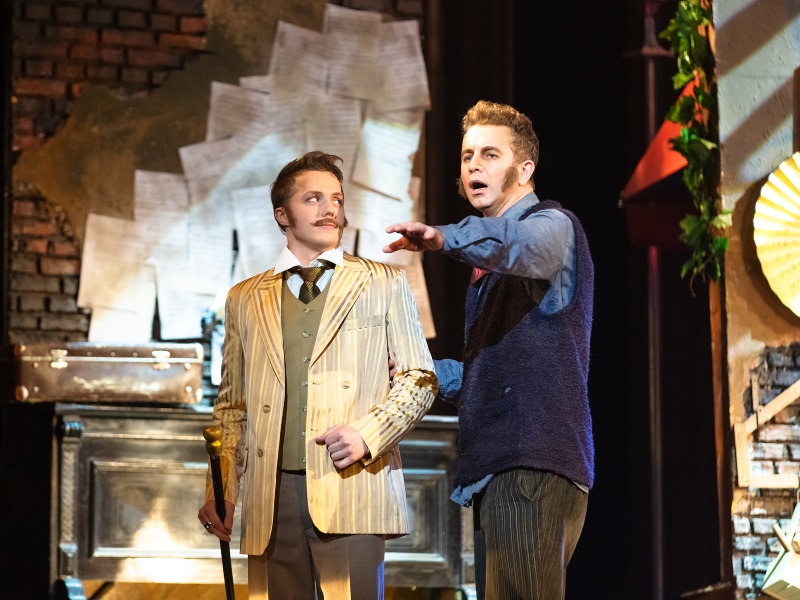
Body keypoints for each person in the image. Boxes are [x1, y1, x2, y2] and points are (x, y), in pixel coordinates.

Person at [198, 151, 438, 600]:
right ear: (282, 215)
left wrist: (367, 434)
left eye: (337, 199)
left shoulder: (382, 282)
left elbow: (419, 378)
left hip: (351, 484)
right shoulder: (244, 298)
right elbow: (232, 406)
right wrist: (221, 486)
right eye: (313, 199)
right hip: (271, 498)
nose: (330, 209)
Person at [384, 100, 594, 600]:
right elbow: (494, 372)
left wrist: (443, 237)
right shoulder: (490, 266)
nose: (473, 165)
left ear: (524, 170)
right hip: (504, 471)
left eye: (489, 154)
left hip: (530, 465)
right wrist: (417, 369)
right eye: (467, 156)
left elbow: (520, 244)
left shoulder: (553, 225)